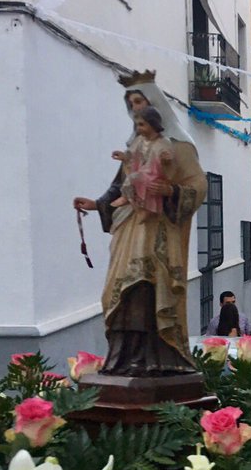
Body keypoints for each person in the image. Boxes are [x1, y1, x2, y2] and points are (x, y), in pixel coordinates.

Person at [75, 91, 206, 377]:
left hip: (159, 233)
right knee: (119, 289)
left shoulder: (179, 148)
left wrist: (171, 190)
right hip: (128, 229)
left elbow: (198, 187)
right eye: (131, 104)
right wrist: (96, 205)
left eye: (140, 102)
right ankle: (123, 357)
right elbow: (118, 188)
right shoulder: (134, 147)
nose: (135, 109)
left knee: (147, 288)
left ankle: (160, 357)